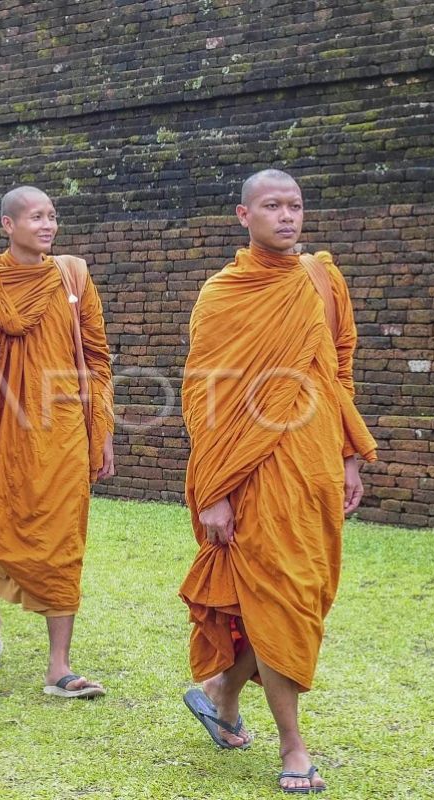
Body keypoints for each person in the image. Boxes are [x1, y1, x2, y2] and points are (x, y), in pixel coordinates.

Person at [178, 169, 377, 795]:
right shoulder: (223, 292)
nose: (286, 216)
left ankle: (220, 692)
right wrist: (212, 490)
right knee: (278, 596)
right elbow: (204, 393)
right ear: (244, 216)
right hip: (250, 467)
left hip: (314, 459)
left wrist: (348, 454)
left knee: (303, 594)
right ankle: (294, 748)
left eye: (294, 205)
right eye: (272, 206)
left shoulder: (323, 278)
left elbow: (339, 369)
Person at [0, 186, 115, 697]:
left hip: (63, 426)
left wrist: (100, 428)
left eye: (52, 216)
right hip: (0, 425)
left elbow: (98, 358)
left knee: (62, 538)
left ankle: (58, 665)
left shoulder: (73, 276)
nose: (47, 225)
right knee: (1, 524)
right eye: (35, 217)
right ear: (7, 225)